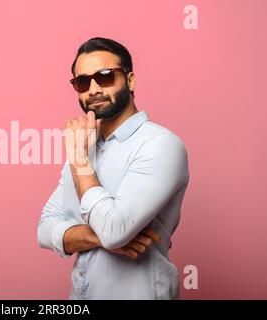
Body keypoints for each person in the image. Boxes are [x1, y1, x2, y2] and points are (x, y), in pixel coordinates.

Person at [37, 37, 189, 299]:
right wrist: (96, 237)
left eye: (105, 76)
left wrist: (78, 159)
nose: (93, 89)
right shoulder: (86, 148)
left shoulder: (161, 145)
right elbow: (44, 229)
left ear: (130, 81)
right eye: (82, 82)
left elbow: (114, 230)